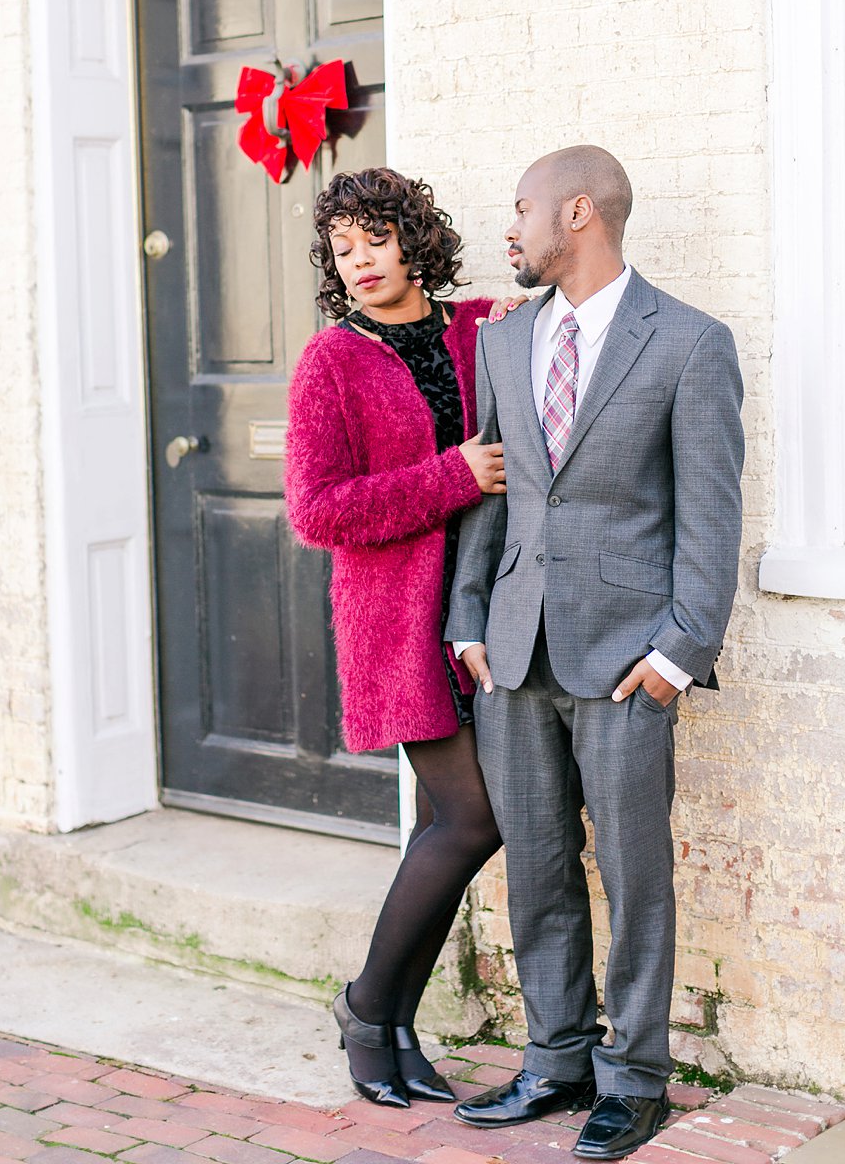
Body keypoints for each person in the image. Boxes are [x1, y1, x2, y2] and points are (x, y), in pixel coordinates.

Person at [442, 146, 744, 1161]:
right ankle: (554, 1059)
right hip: (513, 657)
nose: (511, 228)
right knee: (535, 867)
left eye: (521, 208)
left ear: (577, 213)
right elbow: (497, 492)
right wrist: (467, 620)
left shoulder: (690, 345)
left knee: (632, 872)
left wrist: (676, 652)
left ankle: (635, 1078)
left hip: (626, 664)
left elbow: (710, 516)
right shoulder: (502, 338)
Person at [283, 167, 507, 1107]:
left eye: (375, 238)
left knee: (437, 827)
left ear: (413, 237)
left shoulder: (478, 328)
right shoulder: (330, 361)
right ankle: (367, 1006)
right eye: (343, 249)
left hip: (490, 612)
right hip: (399, 626)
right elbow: (317, 511)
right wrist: (453, 475)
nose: (361, 261)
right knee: (473, 819)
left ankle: (394, 1021)